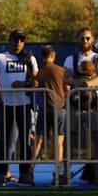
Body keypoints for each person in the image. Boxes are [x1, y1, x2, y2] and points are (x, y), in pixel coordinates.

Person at [0, 30, 39, 187]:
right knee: (3, 140)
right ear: (9, 40)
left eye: (21, 40)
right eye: (15, 39)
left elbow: (36, 81)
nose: (18, 42)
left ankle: (25, 174)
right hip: (5, 105)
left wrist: (22, 84)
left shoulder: (29, 58)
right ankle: (1, 173)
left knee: (25, 141)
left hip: (24, 104)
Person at [64, 27, 98, 169]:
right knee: (70, 138)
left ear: (93, 39)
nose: (85, 41)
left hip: (93, 103)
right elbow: (65, 79)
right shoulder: (71, 59)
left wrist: (84, 83)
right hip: (74, 103)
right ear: (77, 40)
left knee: (97, 138)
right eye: (82, 38)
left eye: (88, 38)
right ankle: (66, 172)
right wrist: (80, 83)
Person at [35, 45, 68, 185]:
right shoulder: (61, 70)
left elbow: (34, 84)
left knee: (38, 140)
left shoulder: (40, 71)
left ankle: (30, 171)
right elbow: (67, 88)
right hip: (59, 108)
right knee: (59, 142)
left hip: (44, 109)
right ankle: (57, 173)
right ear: (53, 55)